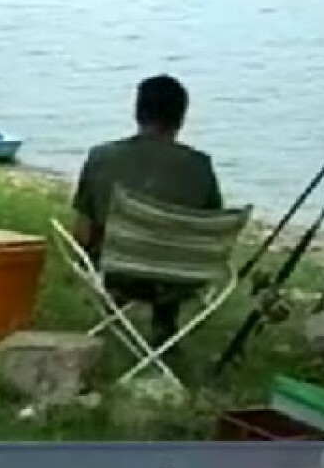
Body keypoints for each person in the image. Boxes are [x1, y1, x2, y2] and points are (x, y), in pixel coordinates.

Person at [71, 74, 224, 349]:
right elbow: (210, 230)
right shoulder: (199, 166)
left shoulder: (101, 157)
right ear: (181, 118)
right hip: (181, 279)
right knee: (172, 241)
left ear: (137, 112)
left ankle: (115, 307)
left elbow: (83, 232)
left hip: (118, 272)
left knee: (111, 239)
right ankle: (165, 321)